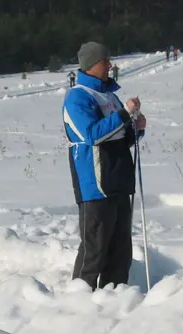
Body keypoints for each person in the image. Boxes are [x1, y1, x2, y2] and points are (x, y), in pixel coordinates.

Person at [62, 41, 147, 289]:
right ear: (91, 65)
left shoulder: (110, 95)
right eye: (105, 61)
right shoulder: (77, 96)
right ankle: (79, 297)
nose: (110, 65)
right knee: (95, 249)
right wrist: (123, 114)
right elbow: (91, 135)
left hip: (119, 178)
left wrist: (136, 129)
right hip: (95, 183)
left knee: (120, 251)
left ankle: (115, 297)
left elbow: (119, 137)